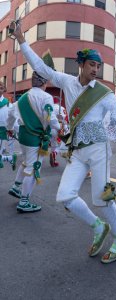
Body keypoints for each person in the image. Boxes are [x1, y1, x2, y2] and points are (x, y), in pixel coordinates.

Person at [11, 23, 116, 264]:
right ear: (81, 65)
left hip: (99, 149)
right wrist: (21, 40)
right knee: (65, 195)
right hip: (77, 150)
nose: (96, 69)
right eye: (92, 64)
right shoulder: (67, 82)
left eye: (98, 66)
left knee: (103, 197)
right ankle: (98, 226)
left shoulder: (104, 93)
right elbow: (40, 67)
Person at [8, 69, 60, 212]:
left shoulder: (22, 98)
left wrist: (9, 127)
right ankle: (24, 202)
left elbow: (11, 114)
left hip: (24, 136)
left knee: (26, 163)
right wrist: (60, 127)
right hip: (35, 138)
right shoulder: (46, 97)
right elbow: (50, 118)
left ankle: (16, 186)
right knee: (33, 168)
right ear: (44, 82)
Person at [0, 81, 17, 170]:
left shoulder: (8, 104)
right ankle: (9, 158)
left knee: (9, 146)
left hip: (4, 130)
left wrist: (14, 129)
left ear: (4, 90)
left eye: (1, 87)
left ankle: (9, 157)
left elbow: (14, 118)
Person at [49, 96, 69, 167]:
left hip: (50, 129)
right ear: (58, 101)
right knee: (61, 146)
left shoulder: (49, 108)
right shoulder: (61, 108)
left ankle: (54, 160)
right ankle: (54, 154)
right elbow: (64, 120)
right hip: (59, 128)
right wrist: (66, 129)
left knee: (53, 144)